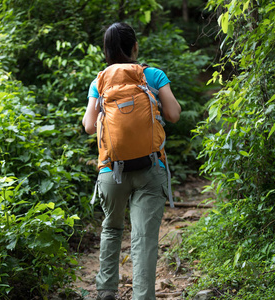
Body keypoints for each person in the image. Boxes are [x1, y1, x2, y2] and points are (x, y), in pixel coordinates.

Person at [82, 22, 181, 300]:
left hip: (111, 170)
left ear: (107, 51)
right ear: (135, 46)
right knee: (144, 239)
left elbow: (89, 126)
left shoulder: (99, 81)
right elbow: (173, 114)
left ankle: (105, 292)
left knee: (112, 229)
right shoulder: (153, 75)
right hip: (150, 168)